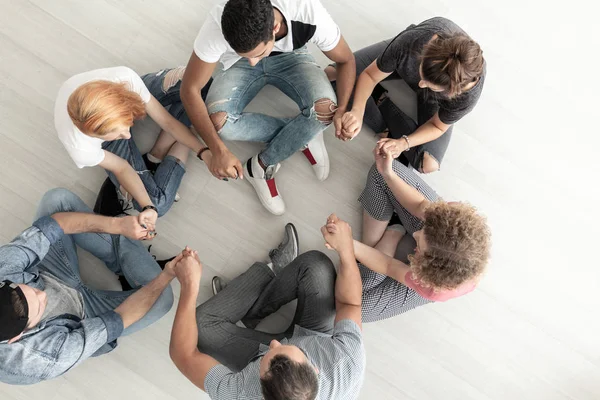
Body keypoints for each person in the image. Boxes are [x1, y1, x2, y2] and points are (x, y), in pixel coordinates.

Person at [181, 0, 356, 215]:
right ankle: (304, 134)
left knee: (327, 110)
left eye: (257, 53)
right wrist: (218, 150)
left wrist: (341, 110)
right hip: (237, 65)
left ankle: (260, 166)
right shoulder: (218, 25)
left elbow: (346, 59)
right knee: (219, 123)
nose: (254, 62)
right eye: (248, 54)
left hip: (292, 57)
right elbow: (189, 89)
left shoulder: (308, 13)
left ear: (275, 27)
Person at [169, 221, 365, 399]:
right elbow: (350, 304)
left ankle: (242, 301)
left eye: (268, 355)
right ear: (314, 369)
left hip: (285, 358)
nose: (274, 343)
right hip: (316, 335)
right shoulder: (347, 362)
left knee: (200, 327)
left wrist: (189, 286)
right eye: (294, 351)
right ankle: (253, 309)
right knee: (316, 265)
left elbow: (183, 355)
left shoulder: (242, 394)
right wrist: (346, 249)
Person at [0, 188, 177, 385]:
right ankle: (130, 257)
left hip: (52, 271)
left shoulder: (3, 268)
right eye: (39, 306)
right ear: (16, 338)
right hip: (84, 317)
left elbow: (55, 223)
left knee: (57, 200)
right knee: (162, 298)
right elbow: (118, 319)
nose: (43, 295)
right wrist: (167, 275)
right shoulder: (43, 357)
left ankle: (123, 239)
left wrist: (117, 225)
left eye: (31, 289)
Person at [55, 66, 214, 233]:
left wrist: (204, 152)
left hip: (119, 91)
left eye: (127, 125)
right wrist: (148, 207)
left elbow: (167, 122)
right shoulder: (81, 149)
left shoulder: (125, 79)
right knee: (158, 204)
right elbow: (121, 166)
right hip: (100, 125)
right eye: (117, 135)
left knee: (199, 80)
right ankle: (160, 153)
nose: (128, 136)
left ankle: (157, 155)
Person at [326, 17, 486, 173]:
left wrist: (403, 143)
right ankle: (383, 121)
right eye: (422, 73)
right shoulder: (414, 41)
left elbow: (438, 126)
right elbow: (370, 75)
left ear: (451, 92)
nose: (421, 85)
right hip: (403, 57)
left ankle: (380, 103)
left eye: (430, 85)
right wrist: (357, 111)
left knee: (427, 164)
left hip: (435, 98)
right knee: (332, 76)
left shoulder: (467, 97)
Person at [354, 146, 491, 322]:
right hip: (437, 239)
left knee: (355, 308)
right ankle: (388, 234)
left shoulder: (432, 286)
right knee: (383, 171)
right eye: (422, 231)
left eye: (418, 246)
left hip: (428, 279)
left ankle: (391, 232)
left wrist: (349, 244)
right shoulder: (449, 218)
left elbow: (389, 266)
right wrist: (388, 174)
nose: (416, 234)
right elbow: (420, 205)